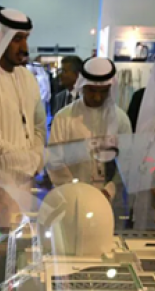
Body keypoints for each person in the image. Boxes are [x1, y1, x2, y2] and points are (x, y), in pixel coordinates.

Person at [0, 6, 46, 179]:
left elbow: (39, 126)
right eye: (17, 39)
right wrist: (30, 160)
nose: (25, 48)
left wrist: (37, 158)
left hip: (28, 177)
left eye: (26, 38)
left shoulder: (27, 77)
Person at [48, 57, 132, 198]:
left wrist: (109, 191)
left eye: (103, 91)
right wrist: (76, 191)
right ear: (82, 86)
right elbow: (55, 161)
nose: (98, 97)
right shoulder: (64, 117)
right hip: (71, 197)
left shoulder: (121, 120)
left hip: (109, 200)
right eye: (92, 90)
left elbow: (127, 161)